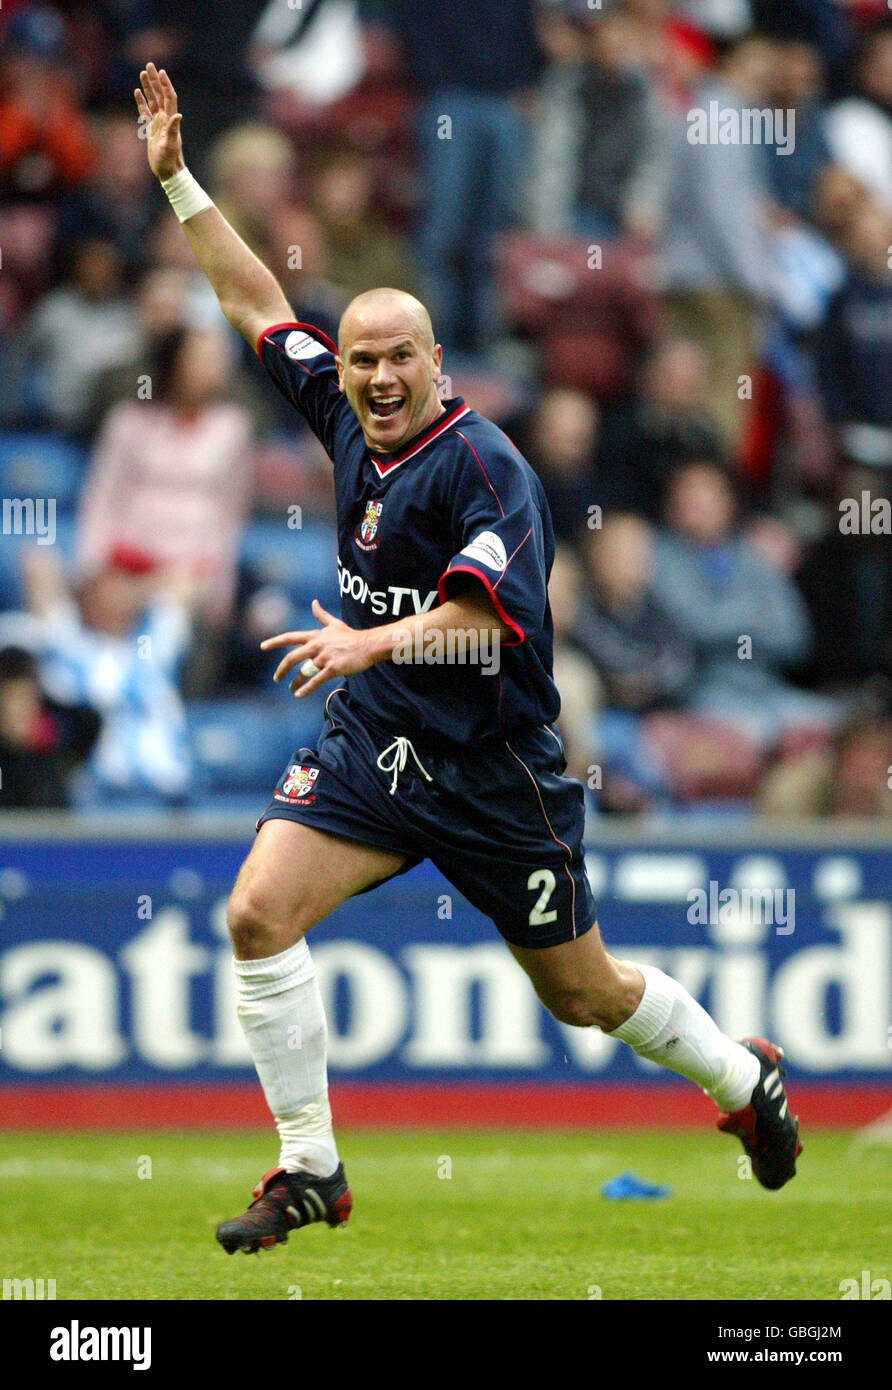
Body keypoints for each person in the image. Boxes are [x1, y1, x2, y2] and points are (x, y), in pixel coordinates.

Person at [134, 62, 803, 1255]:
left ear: (437, 361)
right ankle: (310, 1168)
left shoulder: (487, 466)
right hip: (376, 750)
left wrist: (364, 638)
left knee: (586, 996)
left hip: (495, 768)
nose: (378, 378)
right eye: (359, 360)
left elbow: (490, 621)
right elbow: (250, 304)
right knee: (253, 916)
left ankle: (741, 1081)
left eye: (400, 358)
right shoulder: (338, 412)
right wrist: (181, 179)